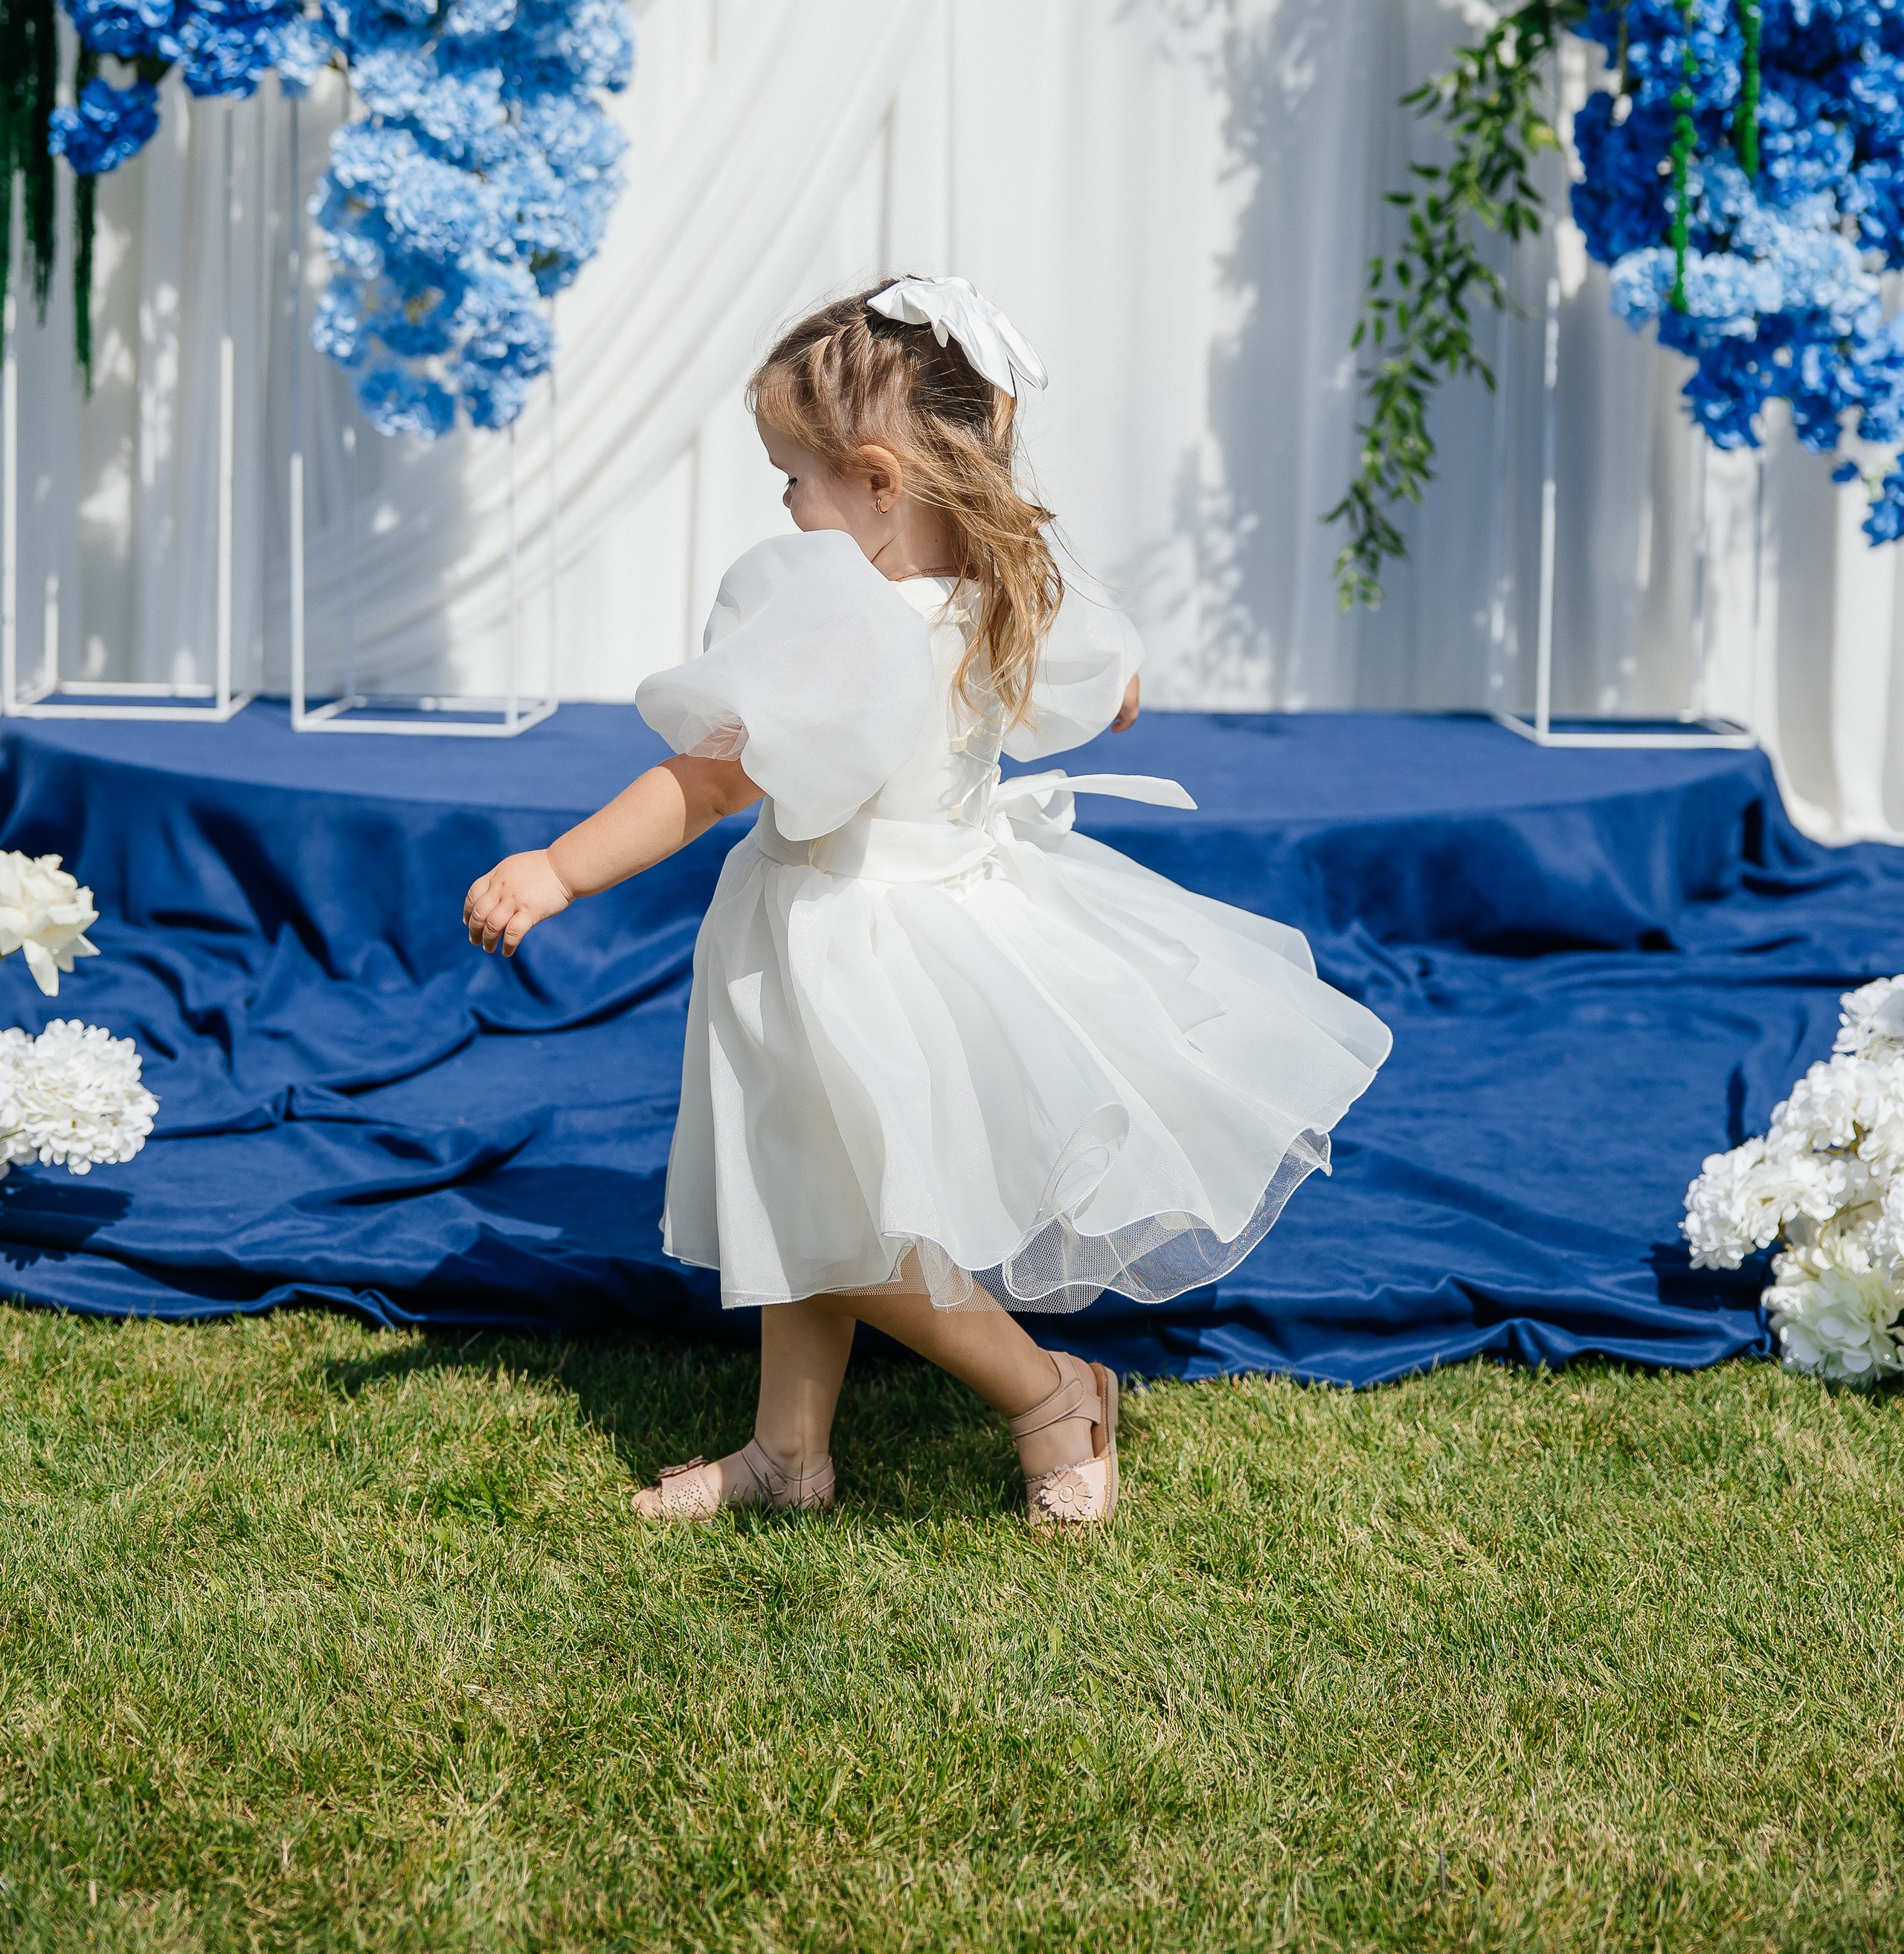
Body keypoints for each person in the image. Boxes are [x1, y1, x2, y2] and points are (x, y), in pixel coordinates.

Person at [463, 275, 1390, 1528]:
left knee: (859, 1225)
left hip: (863, 941)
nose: (786, 507)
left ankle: (1052, 1393)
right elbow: (1108, 686)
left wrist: (559, 867)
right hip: (898, 920)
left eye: (795, 478)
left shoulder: (846, 626)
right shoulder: (996, 586)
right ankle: (789, 1453)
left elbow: (708, 780)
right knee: (810, 1190)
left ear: (882, 480)